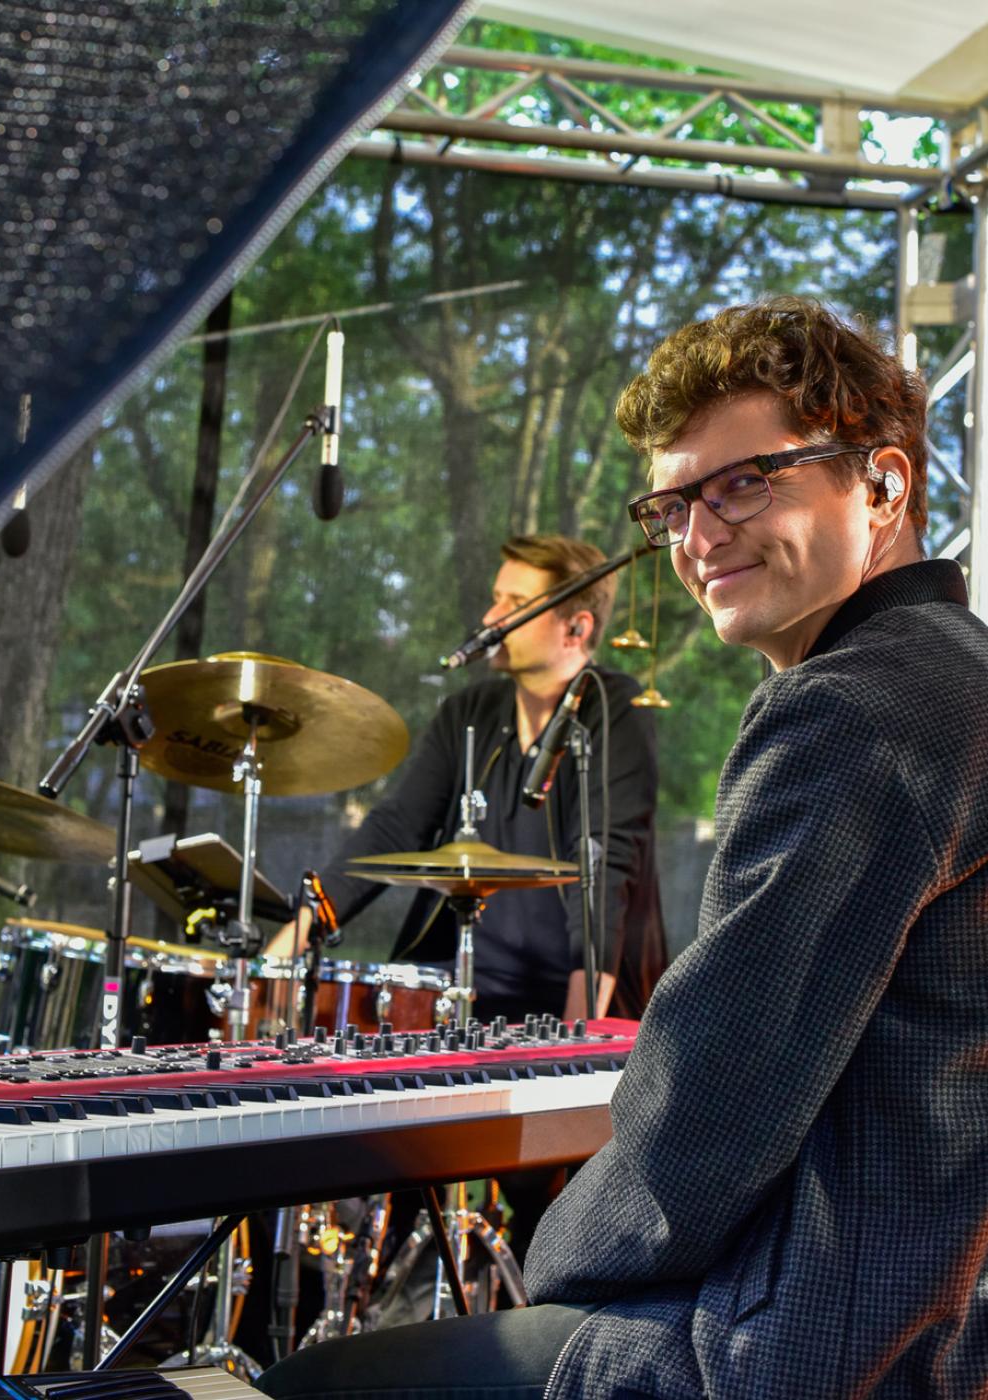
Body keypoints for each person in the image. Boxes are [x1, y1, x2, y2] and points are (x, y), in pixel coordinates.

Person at [256, 295, 988, 1399]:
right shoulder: (960, 671)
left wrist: (552, 1272)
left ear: (881, 485)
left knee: (311, 1386)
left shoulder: (851, 708)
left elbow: (713, 1108)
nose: (697, 538)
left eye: (744, 483)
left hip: (802, 1346)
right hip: (937, 1328)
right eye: (675, 505)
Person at [273, 532, 666, 1026]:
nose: (490, 617)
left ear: (575, 628)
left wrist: (572, 1043)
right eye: (496, 598)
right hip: (453, 986)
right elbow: (397, 827)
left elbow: (605, 866)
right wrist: (284, 951)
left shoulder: (614, 709)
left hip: (559, 1000)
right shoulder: (470, 711)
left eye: (515, 604)